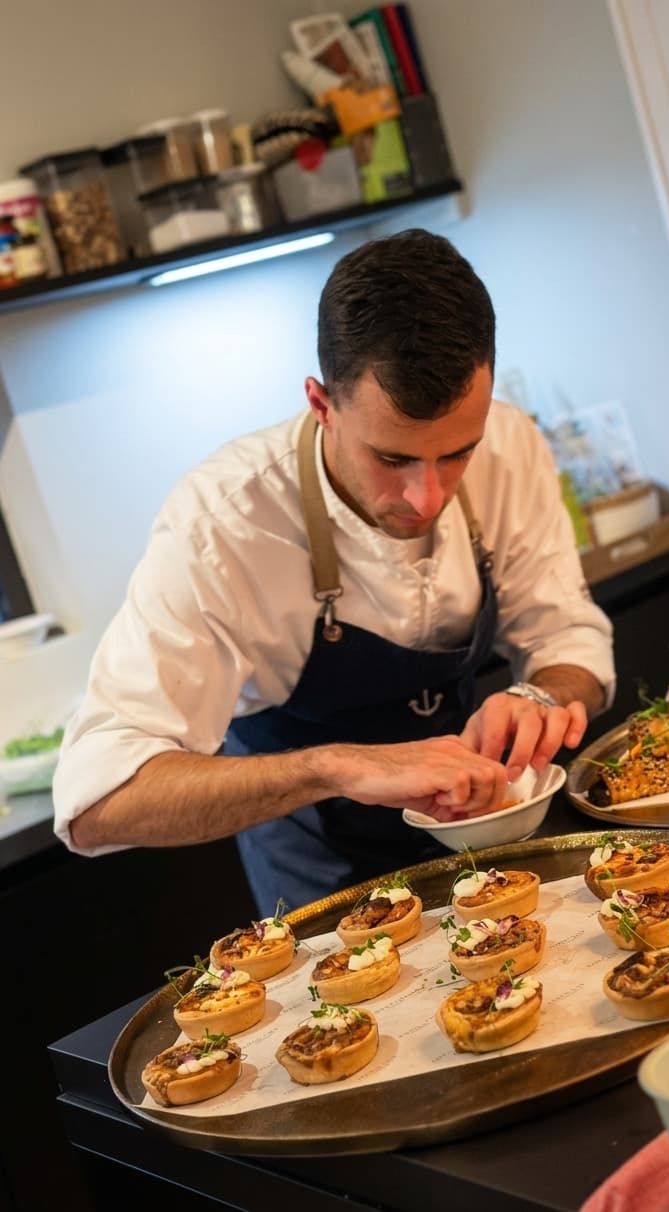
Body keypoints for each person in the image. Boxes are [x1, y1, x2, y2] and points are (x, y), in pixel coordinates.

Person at [54, 229, 614, 914]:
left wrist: (543, 699)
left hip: (490, 844)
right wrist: (338, 767)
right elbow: (97, 799)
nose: (427, 499)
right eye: (393, 459)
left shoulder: (511, 442)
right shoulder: (224, 522)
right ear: (322, 406)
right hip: (325, 885)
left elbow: (567, 636)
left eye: (457, 454)